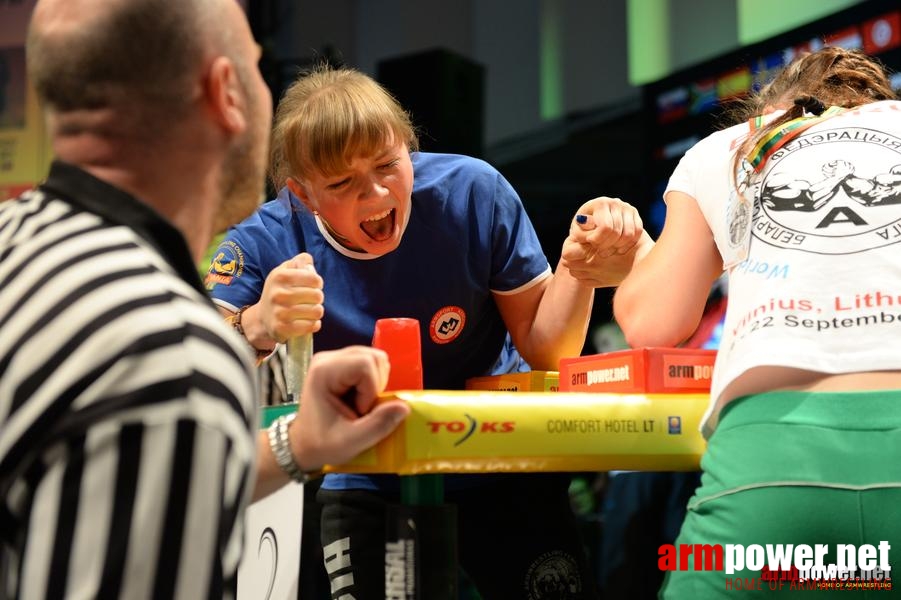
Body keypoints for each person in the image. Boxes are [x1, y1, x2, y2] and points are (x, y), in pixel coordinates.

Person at [0, 1, 408, 598]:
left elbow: (104, 477)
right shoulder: (168, 345)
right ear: (227, 93)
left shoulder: (16, 244)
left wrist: (296, 444)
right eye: (257, 65)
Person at [204, 63, 648, 599]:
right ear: (302, 195)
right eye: (342, 183)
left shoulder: (473, 192)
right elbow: (199, 363)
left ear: (408, 147)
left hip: (499, 453)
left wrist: (578, 272)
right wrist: (257, 324)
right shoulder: (263, 240)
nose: (375, 194)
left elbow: (545, 350)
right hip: (367, 469)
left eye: (389, 164)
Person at [613, 46, 901, 597]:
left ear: (769, 105)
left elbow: (651, 323)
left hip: (772, 467)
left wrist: (636, 259)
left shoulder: (726, 145)